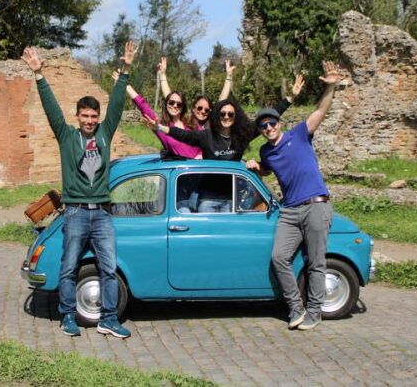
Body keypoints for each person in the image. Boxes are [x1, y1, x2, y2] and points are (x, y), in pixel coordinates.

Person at [21, 42, 137, 339]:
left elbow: (117, 104)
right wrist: (38, 74)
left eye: (93, 116)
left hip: (102, 214)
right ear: (78, 117)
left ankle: (108, 318)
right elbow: (51, 110)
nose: (90, 120)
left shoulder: (105, 133)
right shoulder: (66, 137)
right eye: (85, 116)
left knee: (108, 268)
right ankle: (68, 316)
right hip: (75, 212)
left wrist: (125, 69)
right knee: (69, 266)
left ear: (98, 117)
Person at [246, 61, 342, 331]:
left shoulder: (299, 134)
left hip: (315, 206)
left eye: (272, 122)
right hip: (289, 210)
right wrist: (257, 167)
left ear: (279, 123)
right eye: (263, 125)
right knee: (279, 257)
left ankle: (315, 311)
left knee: (316, 262)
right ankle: (296, 307)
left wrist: (331, 87)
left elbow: (320, 111)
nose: (268, 128)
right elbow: (269, 169)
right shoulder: (266, 151)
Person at [144, 74, 304, 161]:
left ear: (236, 117)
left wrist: (290, 98)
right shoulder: (206, 136)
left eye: (230, 114)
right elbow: (182, 134)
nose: (226, 117)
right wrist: (159, 127)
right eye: (222, 114)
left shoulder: (242, 135)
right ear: (216, 116)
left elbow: (268, 117)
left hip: (232, 197)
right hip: (208, 197)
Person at [158, 56, 234, 131]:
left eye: (207, 110)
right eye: (199, 108)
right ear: (194, 108)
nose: (203, 111)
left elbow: (221, 101)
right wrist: (162, 75)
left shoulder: (210, 123)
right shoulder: (186, 121)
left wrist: (229, 77)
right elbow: (171, 98)